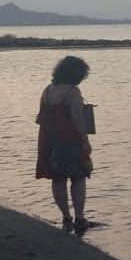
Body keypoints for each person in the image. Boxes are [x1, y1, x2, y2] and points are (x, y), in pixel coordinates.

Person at [34, 55, 95, 232]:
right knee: (78, 178)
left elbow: (42, 116)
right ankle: (80, 218)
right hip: (70, 140)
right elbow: (77, 119)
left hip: (49, 140)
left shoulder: (48, 90)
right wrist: (85, 141)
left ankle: (66, 218)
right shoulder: (72, 92)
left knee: (58, 179)